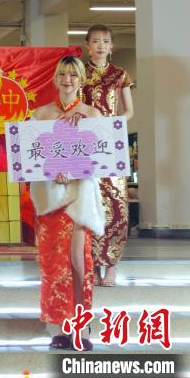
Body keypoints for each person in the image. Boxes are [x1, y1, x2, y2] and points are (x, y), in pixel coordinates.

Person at [30, 56, 105, 351]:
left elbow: (102, 157)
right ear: (55, 78)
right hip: (50, 198)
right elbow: (32, 157)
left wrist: (74, 169)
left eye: (73, 75)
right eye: (62, 74)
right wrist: (50, 172)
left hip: (78, 196)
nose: (67, 80)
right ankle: (60, 328)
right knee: (52, 262)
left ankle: (81, 327)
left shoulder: (92, 114)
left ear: (81, 79)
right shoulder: (40, 115)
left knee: (77, 260)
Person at [81, 24, 134, 287]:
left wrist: (112, 125)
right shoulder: (79, 73)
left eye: (105, 41)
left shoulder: (120, 74)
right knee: (88, 202)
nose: (100, 45)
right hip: (85, 144)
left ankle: (112, 265)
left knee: (116, 203)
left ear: (111, 46)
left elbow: (129, 111)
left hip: (111, 144)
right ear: (88, 45)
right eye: (95, 41)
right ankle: (91, 264)